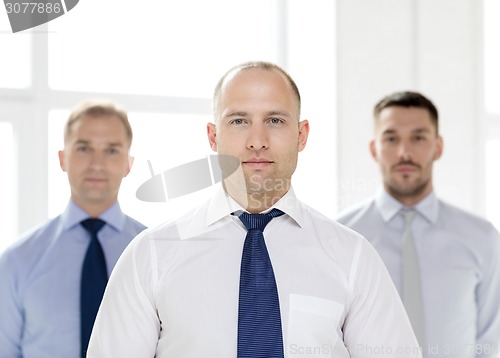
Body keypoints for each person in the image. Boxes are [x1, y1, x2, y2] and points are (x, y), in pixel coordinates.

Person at [87, 62, 421, 358]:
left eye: (275, 120)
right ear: (213, 136)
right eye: (239, 121)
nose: (257, 140)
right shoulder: (151, 255)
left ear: (301, 135)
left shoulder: (353, 257)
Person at [337, 91, 500, 357]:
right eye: (391, 138)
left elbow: (490, 342)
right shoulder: (342, 236)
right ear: (374, 148)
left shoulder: (483, 239)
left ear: (438, 146)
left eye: (418, 138)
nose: (404, 153)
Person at [0, 101, 147, 358]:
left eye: (112, 150)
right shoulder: (17, 261)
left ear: (128, 163)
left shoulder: (154, 254)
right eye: (83, 148)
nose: (96, 164)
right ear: (62, 158)